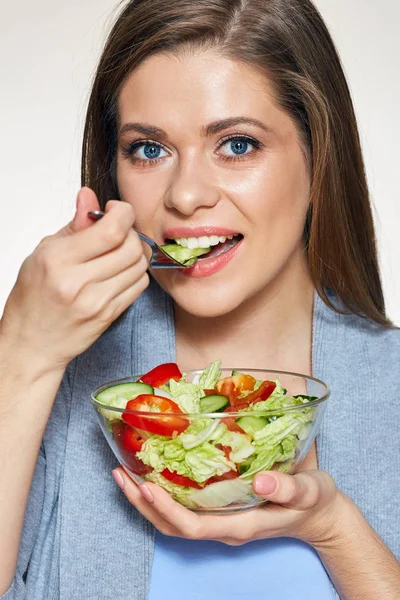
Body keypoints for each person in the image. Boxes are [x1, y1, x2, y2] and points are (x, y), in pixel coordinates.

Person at [0, 0, 399, 598]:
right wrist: (22, 356)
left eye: (237, 145)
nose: (185, 196)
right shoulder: (54, 381)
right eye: (149, 149)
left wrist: (334, 529)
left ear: (319, 159)